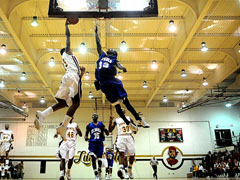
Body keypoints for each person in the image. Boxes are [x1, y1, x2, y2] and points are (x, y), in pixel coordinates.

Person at [34, 19, 85, 140]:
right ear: (66, 51)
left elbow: (75, 78)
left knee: (63, 103)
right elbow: (68, 37)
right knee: (76, 103)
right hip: (72, 77)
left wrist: (81, 73)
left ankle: (43, 114)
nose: (71, 50)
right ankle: (63, 126)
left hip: (68, 78)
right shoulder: (67, 53)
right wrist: (66, 26)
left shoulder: (68, 61)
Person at [94, 26, 150, 128]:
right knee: (126, 103)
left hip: (103, 85)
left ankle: (129, 124)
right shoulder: (114, 59)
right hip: (113, 82)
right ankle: (139, 119)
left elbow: (98, 45)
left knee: (117, 106)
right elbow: (119, 65)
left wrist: (96, 33)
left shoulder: (102, 55)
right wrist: (123, 68)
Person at [109, 108, 138, 179]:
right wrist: (110, 121)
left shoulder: (129, 118)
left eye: (122, 109)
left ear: (125, 112)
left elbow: (135, 128)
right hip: (120, 137)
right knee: (121, 153)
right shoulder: (116, 120)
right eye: (120, 109)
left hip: (129, 136)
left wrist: (135, 129)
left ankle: (130, 168)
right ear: (118, 112)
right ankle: (121, 169)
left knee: (132, 155)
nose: (121, 110)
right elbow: (110, 130)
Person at [85, 113, 109, 180]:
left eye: (96, 117)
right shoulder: (89, 125)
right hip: (92, 142)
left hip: (100, 142)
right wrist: (86, 137)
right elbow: (86, 134)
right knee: (92, 157)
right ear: (92, 118)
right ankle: (95, 173)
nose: (94, 118)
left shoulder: (101, 124)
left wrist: (106, 131)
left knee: (99, 158)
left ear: (97, 117)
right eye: (93, 117)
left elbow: (106, 131)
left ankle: (99, 170)